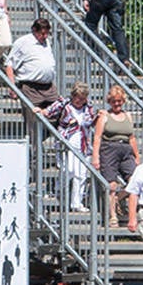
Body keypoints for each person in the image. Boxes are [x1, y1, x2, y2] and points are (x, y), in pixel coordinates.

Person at [43, 82, 96, 213]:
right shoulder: (64, 104)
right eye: (78, 97)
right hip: (66, 144)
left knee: (81, 175)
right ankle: (58, 190)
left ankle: (76, 203)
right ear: (73, 96)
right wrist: (41, 111)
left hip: (83, 146)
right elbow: (48, 112)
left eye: (83, 98)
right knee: (70, 170)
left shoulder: (88, 108)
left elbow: (91, 122)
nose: (80, 101)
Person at [91, 84, 139, 229]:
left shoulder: (128, 116)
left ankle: (120, 199)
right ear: (109, 101)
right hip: (109, 149)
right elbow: (97, 137)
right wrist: (95, 157)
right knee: (111, 184)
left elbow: (132, 138)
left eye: (119, 101)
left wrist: (136, 156)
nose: (117, 104)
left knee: (134, 182)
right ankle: (113, 216)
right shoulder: (104, 116)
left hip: (126, 149)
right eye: (113, 101)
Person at [7, 17, 58, 109]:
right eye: (42, 33)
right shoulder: (23, 42)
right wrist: (12, 86)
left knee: (55, 116)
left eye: (47, 33)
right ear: (34, 30)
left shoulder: (47, 42)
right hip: (31, 88)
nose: (45, 36)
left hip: (49, 88)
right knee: (33, 119)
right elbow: (10, 65)